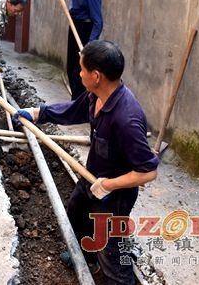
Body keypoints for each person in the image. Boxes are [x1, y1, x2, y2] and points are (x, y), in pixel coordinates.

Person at [14, 40, 159, 284]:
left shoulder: (126, 119)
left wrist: (109, 185)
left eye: (81, 69)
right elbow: (72, 110)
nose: (78, 73)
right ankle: (86, 257)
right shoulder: (96, 96)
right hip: (92, 177)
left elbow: (148, 172)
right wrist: (36, 113)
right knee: (76, 214)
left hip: (115, 195)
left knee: (112, 254)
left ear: (96, 75)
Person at [50, 0, 103, 100]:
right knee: (71, 67)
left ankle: (81, 105)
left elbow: (98, 21)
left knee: (81, 70)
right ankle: (75, 101)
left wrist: (89, 46)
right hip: (74, 25)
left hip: (85, 30)